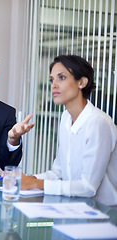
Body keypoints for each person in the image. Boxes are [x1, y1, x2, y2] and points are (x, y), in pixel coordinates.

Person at [21, 55, 117, 206]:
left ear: (82, 82)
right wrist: (28, 179)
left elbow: (88, 187)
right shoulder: (66, 118)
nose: (54, 85)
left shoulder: (98, 123)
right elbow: (58, 173)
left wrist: (35, 184)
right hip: (74, 207)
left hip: (104, 213)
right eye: (52, 80)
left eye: (62, 78)